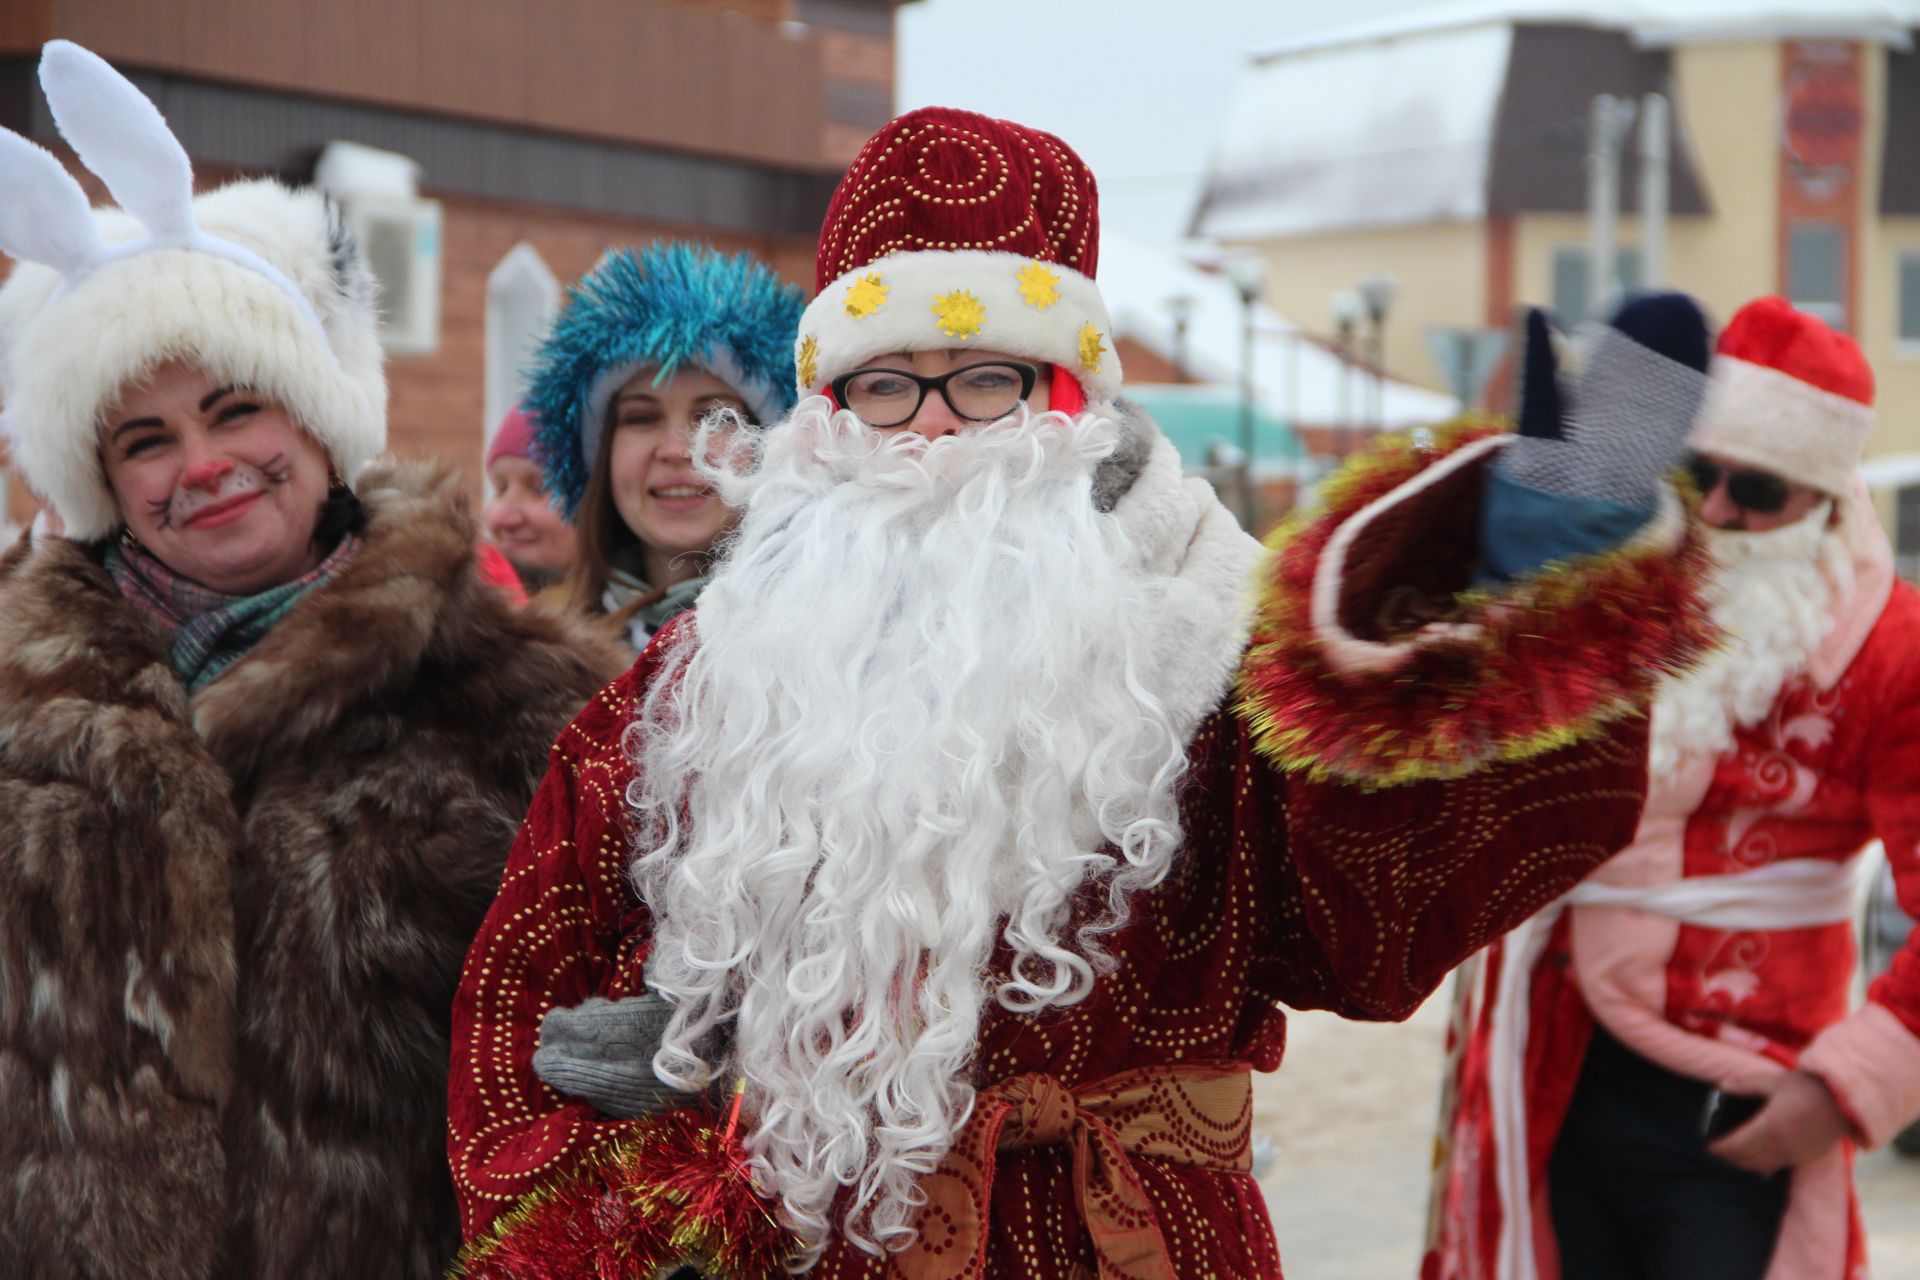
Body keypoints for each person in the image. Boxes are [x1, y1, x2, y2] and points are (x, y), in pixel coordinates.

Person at [448, 107, 1717, 1279]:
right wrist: (624, 1203)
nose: (932, 433)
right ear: (824, 417)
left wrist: (1512, 598)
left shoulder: (1217, 641)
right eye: (886, 385)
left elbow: (1374, 923)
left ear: (1072, 402)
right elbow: (520, 1009)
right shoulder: (691, 695)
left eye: (986, 377)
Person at [0, 42, 626, 1280]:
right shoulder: (25, 723)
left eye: (238, 408)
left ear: (320, 422)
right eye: (148, 439)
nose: (205, 463)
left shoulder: (531, 701)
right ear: (105, 484)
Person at [1425, 297, 1920, 1280]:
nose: (1724, 509)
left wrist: (1848, 1084)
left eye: (1762, 488)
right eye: (1702, 473)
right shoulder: (1622, 579)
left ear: (1826, 498)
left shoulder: (1894, 649)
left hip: (1741, 1102)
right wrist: (1513, 566)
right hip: (1548, 1067)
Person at [527, 241, 805, 650]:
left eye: (713, 417)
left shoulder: (832, 647)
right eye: (642, 418)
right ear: (601, 458)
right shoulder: (531, 660)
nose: (677, 449)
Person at [483, 403, 578, 594]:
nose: (502, 518)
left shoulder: (643, 620)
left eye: (539, 488)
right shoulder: (455, 616)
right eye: (500, 489)